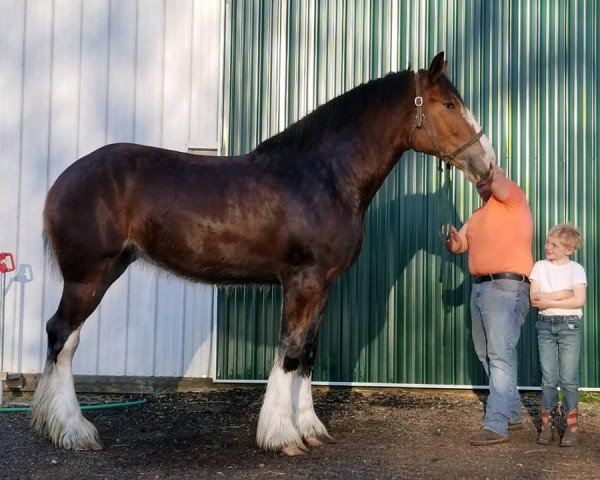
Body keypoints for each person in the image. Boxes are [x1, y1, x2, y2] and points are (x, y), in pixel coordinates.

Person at [445, 165, 533, 446]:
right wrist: (453, 241)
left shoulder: (513, 198)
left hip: (508, 287)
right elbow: (459, 246)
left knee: (499, 355)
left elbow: (494, 177)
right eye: (476, 180)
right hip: (481, 287)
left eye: (484, 178)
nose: (479, 182)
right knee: (487, 353)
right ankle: (514, 414)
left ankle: (496, 425)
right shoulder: (477, 215)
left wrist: (482, 164)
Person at [529, 224, 587, 447]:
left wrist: (548, 299)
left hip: (569, 326)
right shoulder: (539, 267)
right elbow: (535, 298)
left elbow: (578, 300)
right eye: (547, 242)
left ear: (569, 250)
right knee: (549, 378)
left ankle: (571, 427)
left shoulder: (576, 269)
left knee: (569, 379)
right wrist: (562, 294)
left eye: (554, 245)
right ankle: (547, 427)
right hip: (545, 325)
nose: (548, 247)